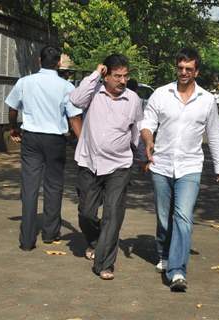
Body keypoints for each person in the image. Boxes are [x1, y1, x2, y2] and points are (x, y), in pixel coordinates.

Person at [140, 47, 219, 292]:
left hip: (190, 166)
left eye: (189, 69)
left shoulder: (207, 100)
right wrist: (148, 141)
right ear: (176, 68)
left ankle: (177, 271)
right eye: (180, 68)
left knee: (183, 217)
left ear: (197, 71)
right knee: (163, 217)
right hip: (161, 164)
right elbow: (147, 123)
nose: (184, 72)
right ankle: (164, 253)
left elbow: (214, 133)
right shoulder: (160, 94)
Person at [70, 54, 143, 280]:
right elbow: (75, 100)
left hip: (119, 166)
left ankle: (105, 264)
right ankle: (94, 240)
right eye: (117, 76)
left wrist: (143, 158)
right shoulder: (93, 93)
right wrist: (95, 74)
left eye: (125, 76)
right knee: (87, 213)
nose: (122, 81)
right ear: (106, 76)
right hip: (89, 163)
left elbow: (137, 132)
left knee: (113, 214)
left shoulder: (133, 100)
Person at [5, 45, 83, 251]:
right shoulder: (66, 87)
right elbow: (74, 117)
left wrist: (13, 128)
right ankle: (50, 234)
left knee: (30, 187)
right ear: (58, 63)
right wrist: (82, 141)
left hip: (30, 138)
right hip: (55, 140)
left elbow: (12, 107)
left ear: (39, 61)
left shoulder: (25, 82)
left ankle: (27, 240)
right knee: (53, 186)